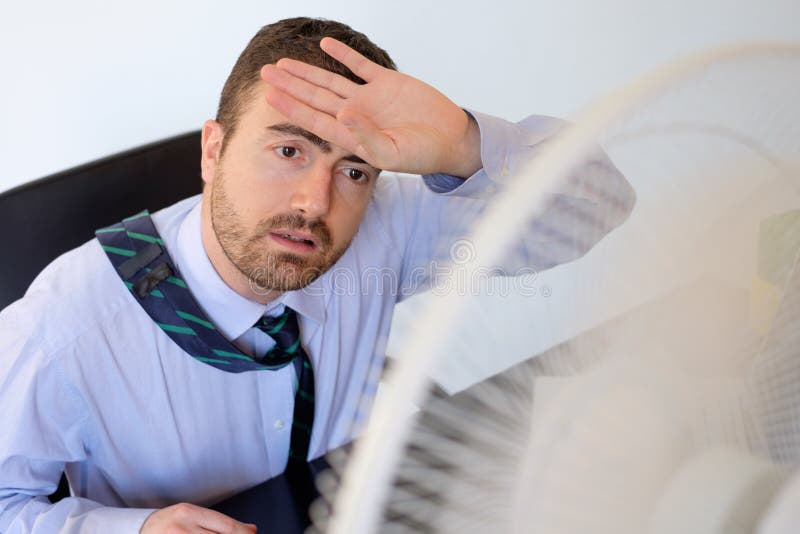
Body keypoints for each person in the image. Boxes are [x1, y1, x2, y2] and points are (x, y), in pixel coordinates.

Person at [0, 16, 635, 534]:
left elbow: (596, 209)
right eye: (288, 150)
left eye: (354, 170)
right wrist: (131, 532)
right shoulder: (65, 328)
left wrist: (465, 141)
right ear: (213, 150)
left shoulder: (386, 228)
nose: (315, 201)